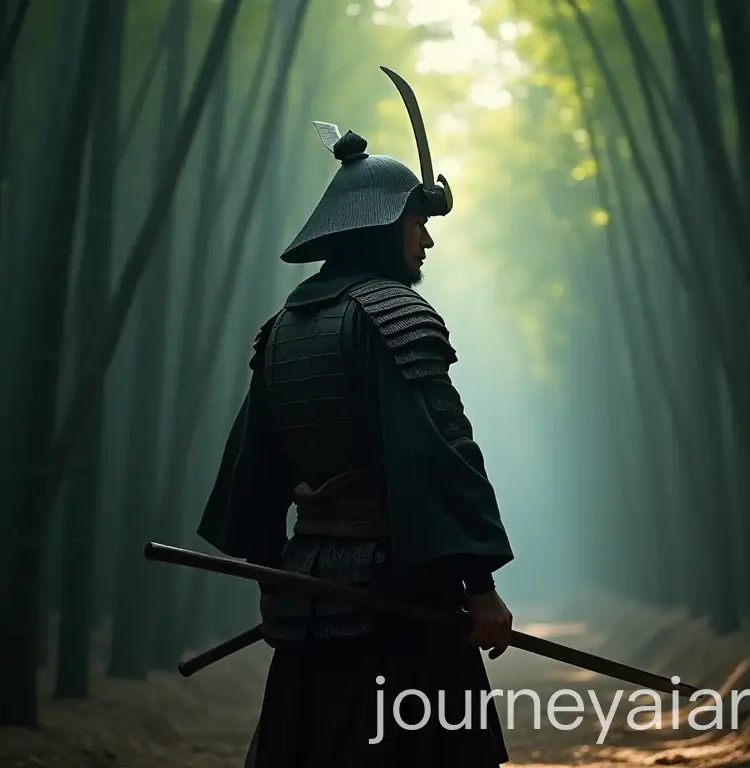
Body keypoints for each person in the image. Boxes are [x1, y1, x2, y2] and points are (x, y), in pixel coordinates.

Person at [197, 76, 515, 768]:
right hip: (402, 604)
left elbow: (252, 472)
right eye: (416, 224)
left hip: (312, 600)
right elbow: (439, 455)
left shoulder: (283, 329)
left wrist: (273, 576)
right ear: (381, 226)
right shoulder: (398, 317)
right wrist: (480, 585)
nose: (426, 241)